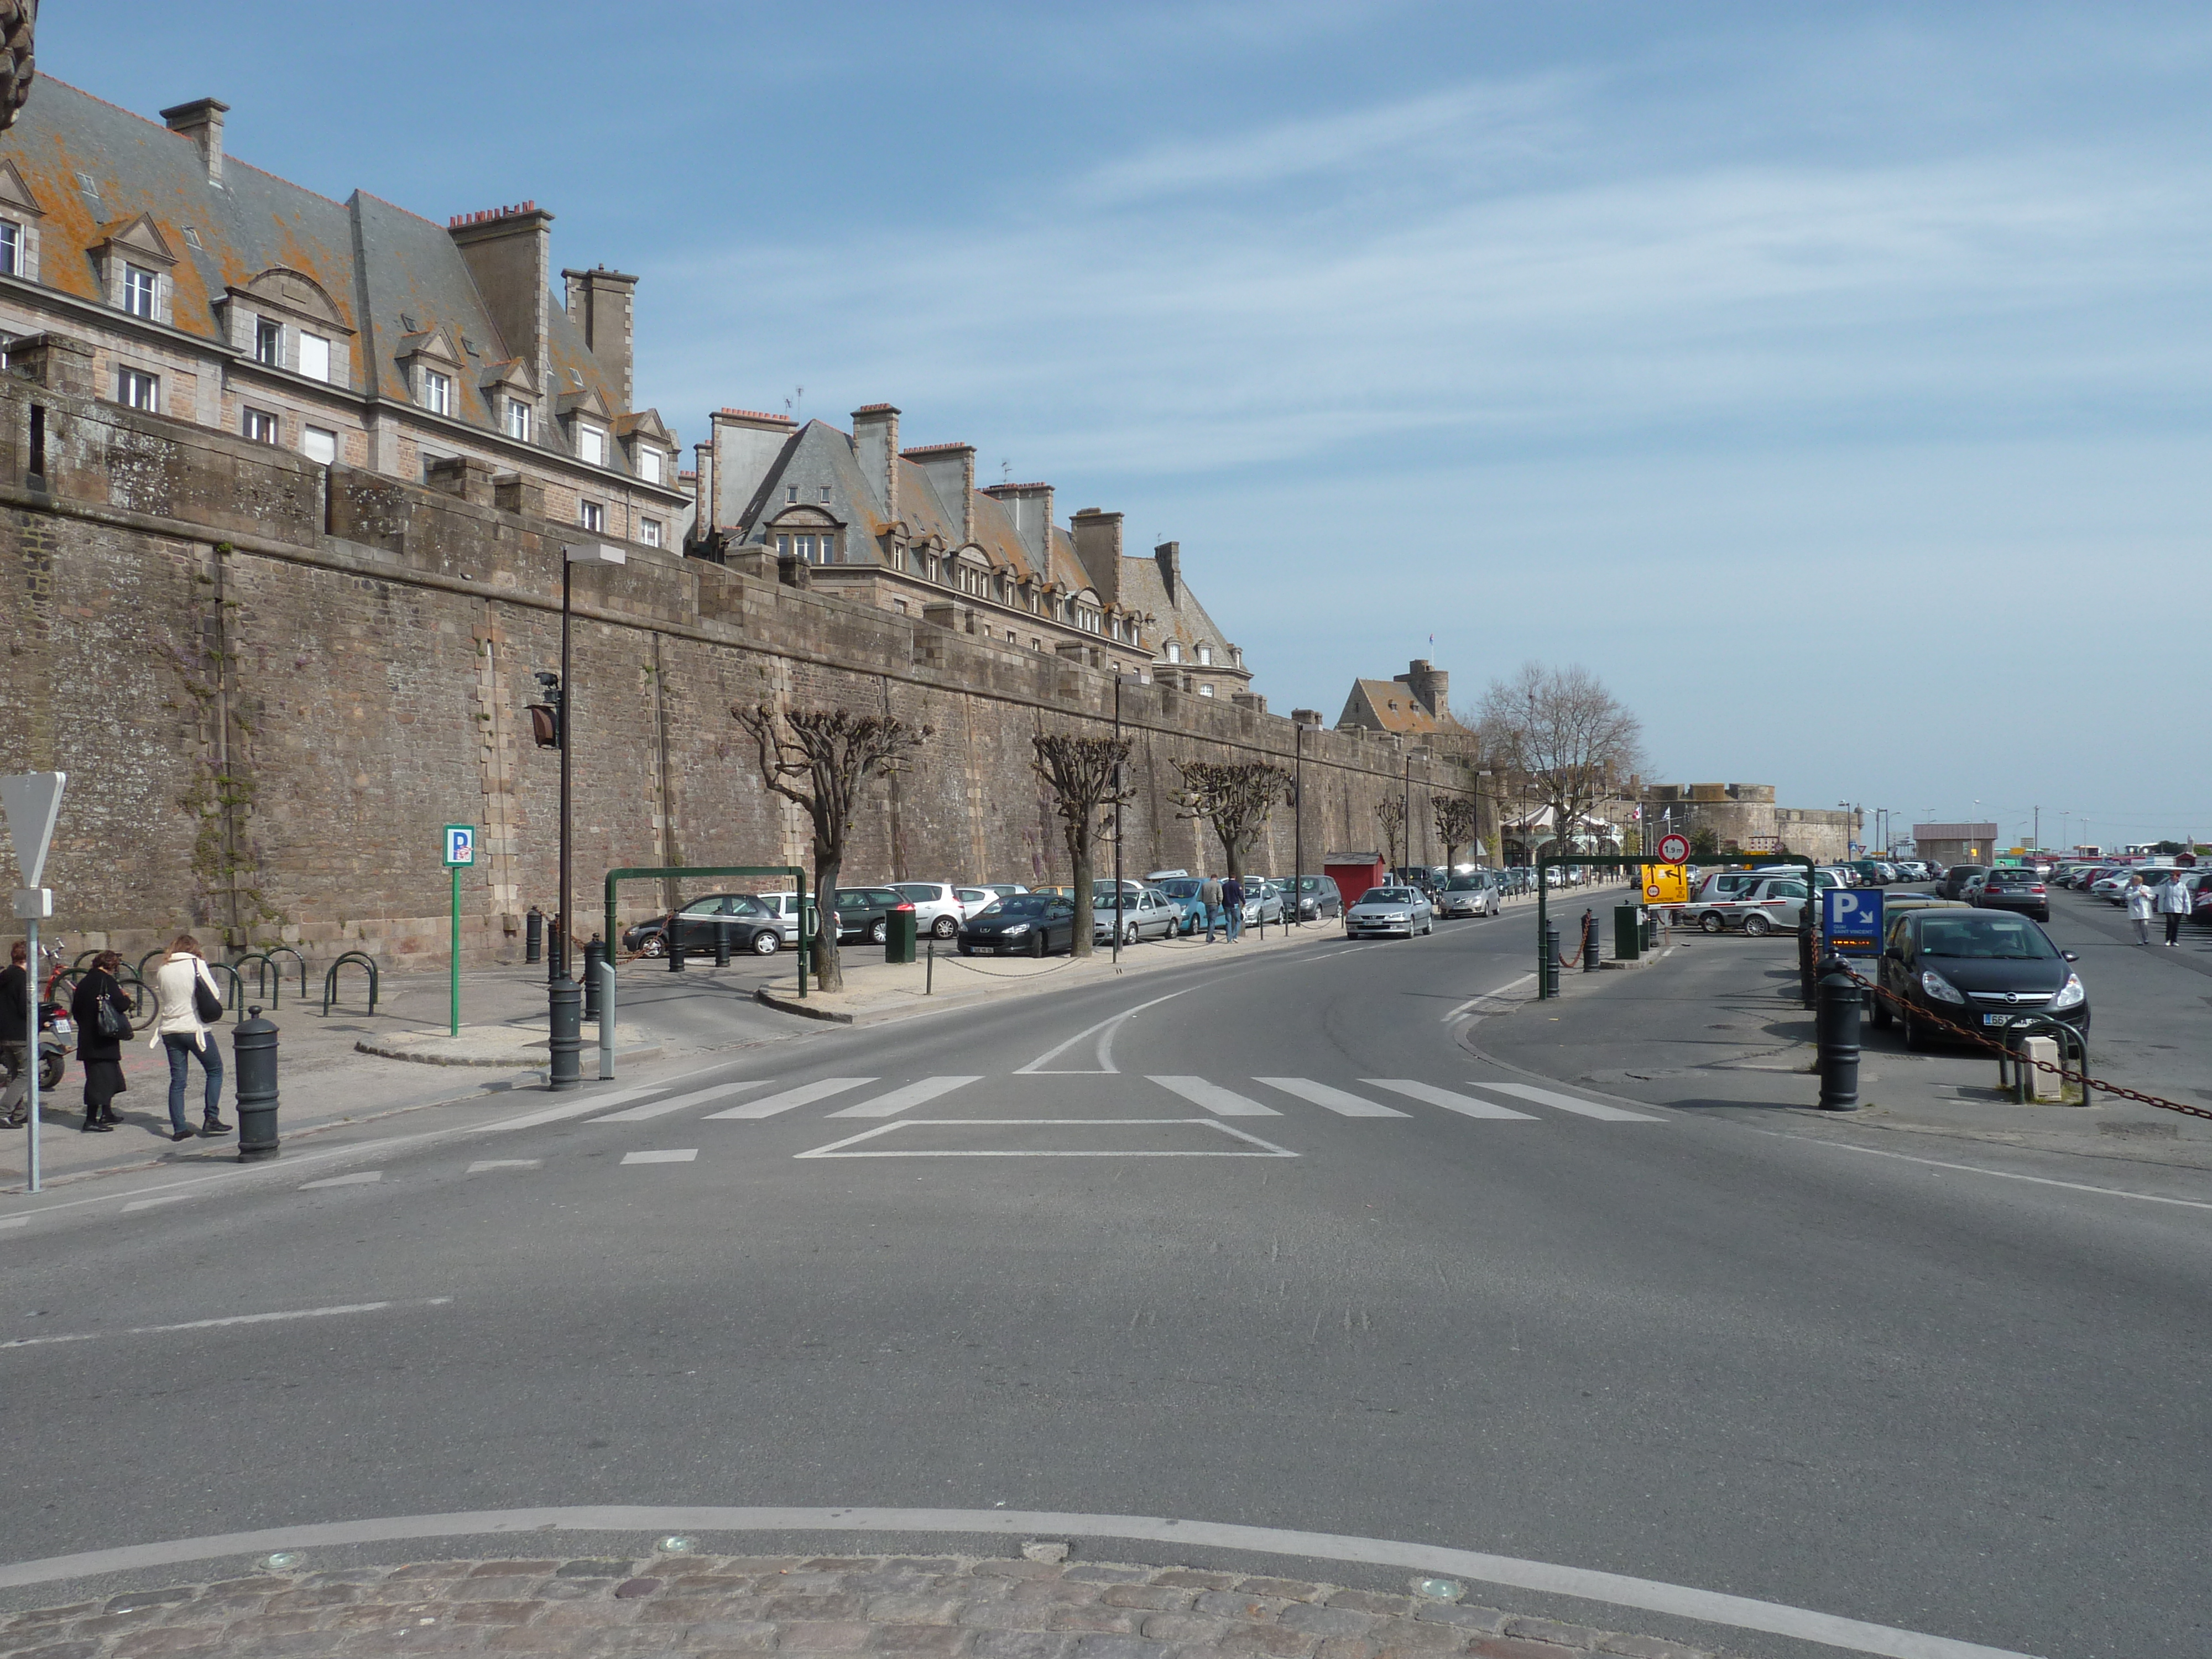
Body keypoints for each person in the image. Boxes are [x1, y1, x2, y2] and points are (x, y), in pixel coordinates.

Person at [150, 934, 229, 1141]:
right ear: (194, 948)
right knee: (215, 1070)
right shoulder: (197, 964)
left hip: (169, 1029)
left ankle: (179, 1127)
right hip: (194, 1028)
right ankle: (211, 1118)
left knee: (178, 1080)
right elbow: (214, 994)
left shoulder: (163, 968)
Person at [69, 951, 132, 1133]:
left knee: (108, 1076)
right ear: (111, 966)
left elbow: (76, 1010)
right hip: (104, 1038)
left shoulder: (84, 982)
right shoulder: (107, 981)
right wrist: (126, 998)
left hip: (88, 1037)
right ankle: (90, 1120)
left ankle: (107, 1112)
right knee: (99, 1081)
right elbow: (121, 1004)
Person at [0, 940, 28, 1128]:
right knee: (28, 1073)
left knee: (13, 1072)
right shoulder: (23, 979)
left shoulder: (4, 975)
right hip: (19, 1033)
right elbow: (24, 1008)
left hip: (4, 1032)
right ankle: (4, 1111)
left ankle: (19, 1113)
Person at [2154, 869, 2193, 947]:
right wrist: (2161, 909)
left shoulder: (2182, 886)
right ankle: (2168, 940)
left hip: (2179, 908)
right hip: (2169, 908)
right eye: (2171, 875)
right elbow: (2162, 897)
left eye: (2173, 876)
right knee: (2170, 923)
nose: (2172, 877)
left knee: (2176, 925)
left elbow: (2186, 898)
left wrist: (2187, 909)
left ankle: (2174, 940)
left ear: (2178, 877)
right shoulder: (2166, 885)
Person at [2125, 874, 2154, 945]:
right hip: (2134, 909)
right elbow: (2129, 897)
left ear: (2138, 881)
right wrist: (2138, 893)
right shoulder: (2130, 889)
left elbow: (2153, 897)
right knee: (2136, 927)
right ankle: (2139, 940)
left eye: (2133, 880)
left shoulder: (2146, 888)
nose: (2132, 882)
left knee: (2144, 925)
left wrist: (2146, 895)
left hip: (2144, 910)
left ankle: (2145, 938)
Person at [1199, 875, 1224, 943]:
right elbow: (1220, 896)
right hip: (1214, 904)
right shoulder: (1217, 885)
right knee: (1212, 921)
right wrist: (1219, 903)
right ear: (1216, 879)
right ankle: (1209, 937)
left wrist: (1204, 901)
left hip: (1207, 904)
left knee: (1209, 921)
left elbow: (1201, 895)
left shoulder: (1205, 885)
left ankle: (1211, 936)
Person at [1221, 875, 1245, 942]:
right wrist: (1244, 902)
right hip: (1235, 905)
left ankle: (1229, 939)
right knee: (1238, 920)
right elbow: (1240, 895)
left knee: (1228, 922)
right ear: (1235, 877)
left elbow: (1222, 896)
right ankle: (1234, 936)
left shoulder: (1225, 886)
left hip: (1227, 905)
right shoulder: (1237, 885)